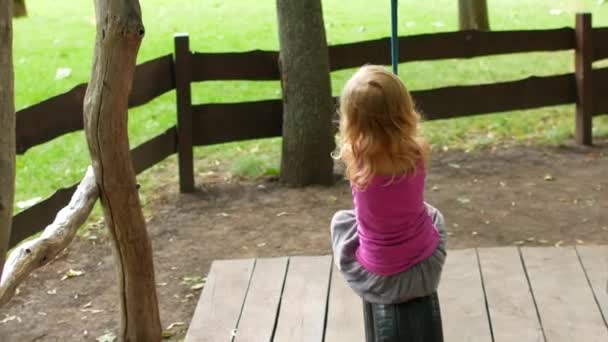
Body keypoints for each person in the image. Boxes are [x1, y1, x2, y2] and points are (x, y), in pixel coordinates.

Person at [330, 65, 447, 304]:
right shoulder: (417, 151)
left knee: (341, 221)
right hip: (425, 269)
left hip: (377, 278)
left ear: (352, 121)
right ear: (405, 109)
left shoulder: (356, 157)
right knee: (434, 215)